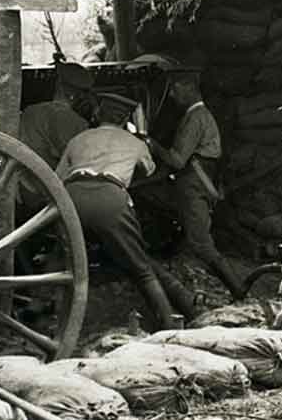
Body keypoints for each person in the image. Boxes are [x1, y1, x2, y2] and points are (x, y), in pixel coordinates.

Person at [56, 92, 201, 330]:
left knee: (66, 265)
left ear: (97, 114)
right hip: (111, 197)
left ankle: (59, 327)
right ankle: (170, 324)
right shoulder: (135, 143)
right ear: (125, 120)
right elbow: (149, 170)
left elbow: (57, 178)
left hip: (72, 197)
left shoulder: (78, 139)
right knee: (142, 270)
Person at [135, 70, 245, 299]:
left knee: (202, 244)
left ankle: (239, 290)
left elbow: (177, 159)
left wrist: (150, 143)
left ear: (189, 87)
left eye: (176, 89)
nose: (173, 95)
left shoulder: (196, 117)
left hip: (194, 184)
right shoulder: (196, 115)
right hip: (193, 181)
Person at [18, 62, 94, 206]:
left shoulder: (30, 111)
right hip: (51, 194)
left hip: (24, 188)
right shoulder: (73, 121)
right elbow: (82, 163)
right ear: (77, 95)